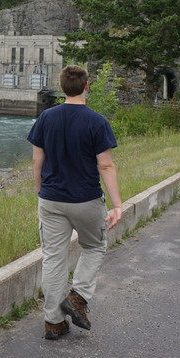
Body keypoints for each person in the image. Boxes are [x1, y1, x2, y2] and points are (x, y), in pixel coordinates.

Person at [27, 65, 122, 341]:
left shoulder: (45, 118)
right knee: (94, 245)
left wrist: (40, 193)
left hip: (51, 200)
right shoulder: (97, 121)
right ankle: (78, 296)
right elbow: (105, 166)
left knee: (53, 259)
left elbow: (37, 161)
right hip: (86, 200)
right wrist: (117, 205)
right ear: (87, 86)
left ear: (61, 87)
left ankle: (53, 323)